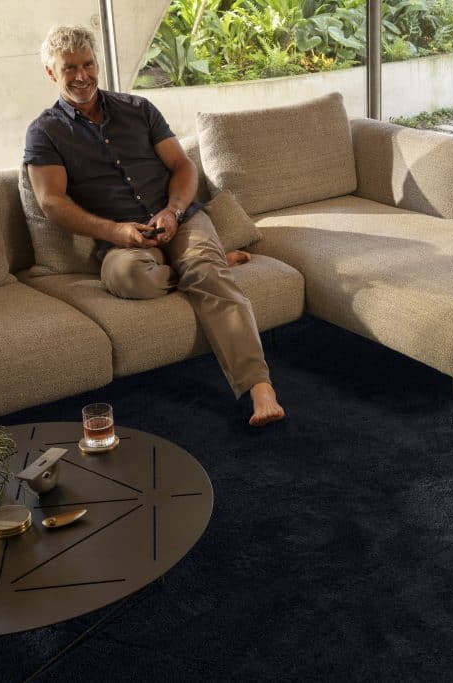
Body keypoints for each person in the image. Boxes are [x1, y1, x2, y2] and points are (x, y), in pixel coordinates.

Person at [24, 25, 284, 427]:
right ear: (50, 72)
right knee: (131, 278)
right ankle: (210, 265)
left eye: (88, 64)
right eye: (69, 67)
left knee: (206, 271)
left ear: (98, 64)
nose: (82, 76)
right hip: (121, 241)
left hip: (179, 218)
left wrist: (174, 211)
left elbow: (182, 166)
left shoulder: (139, 109)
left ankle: (259, 387)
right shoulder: (45, 132)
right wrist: (115, 232)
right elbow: (51, 202)